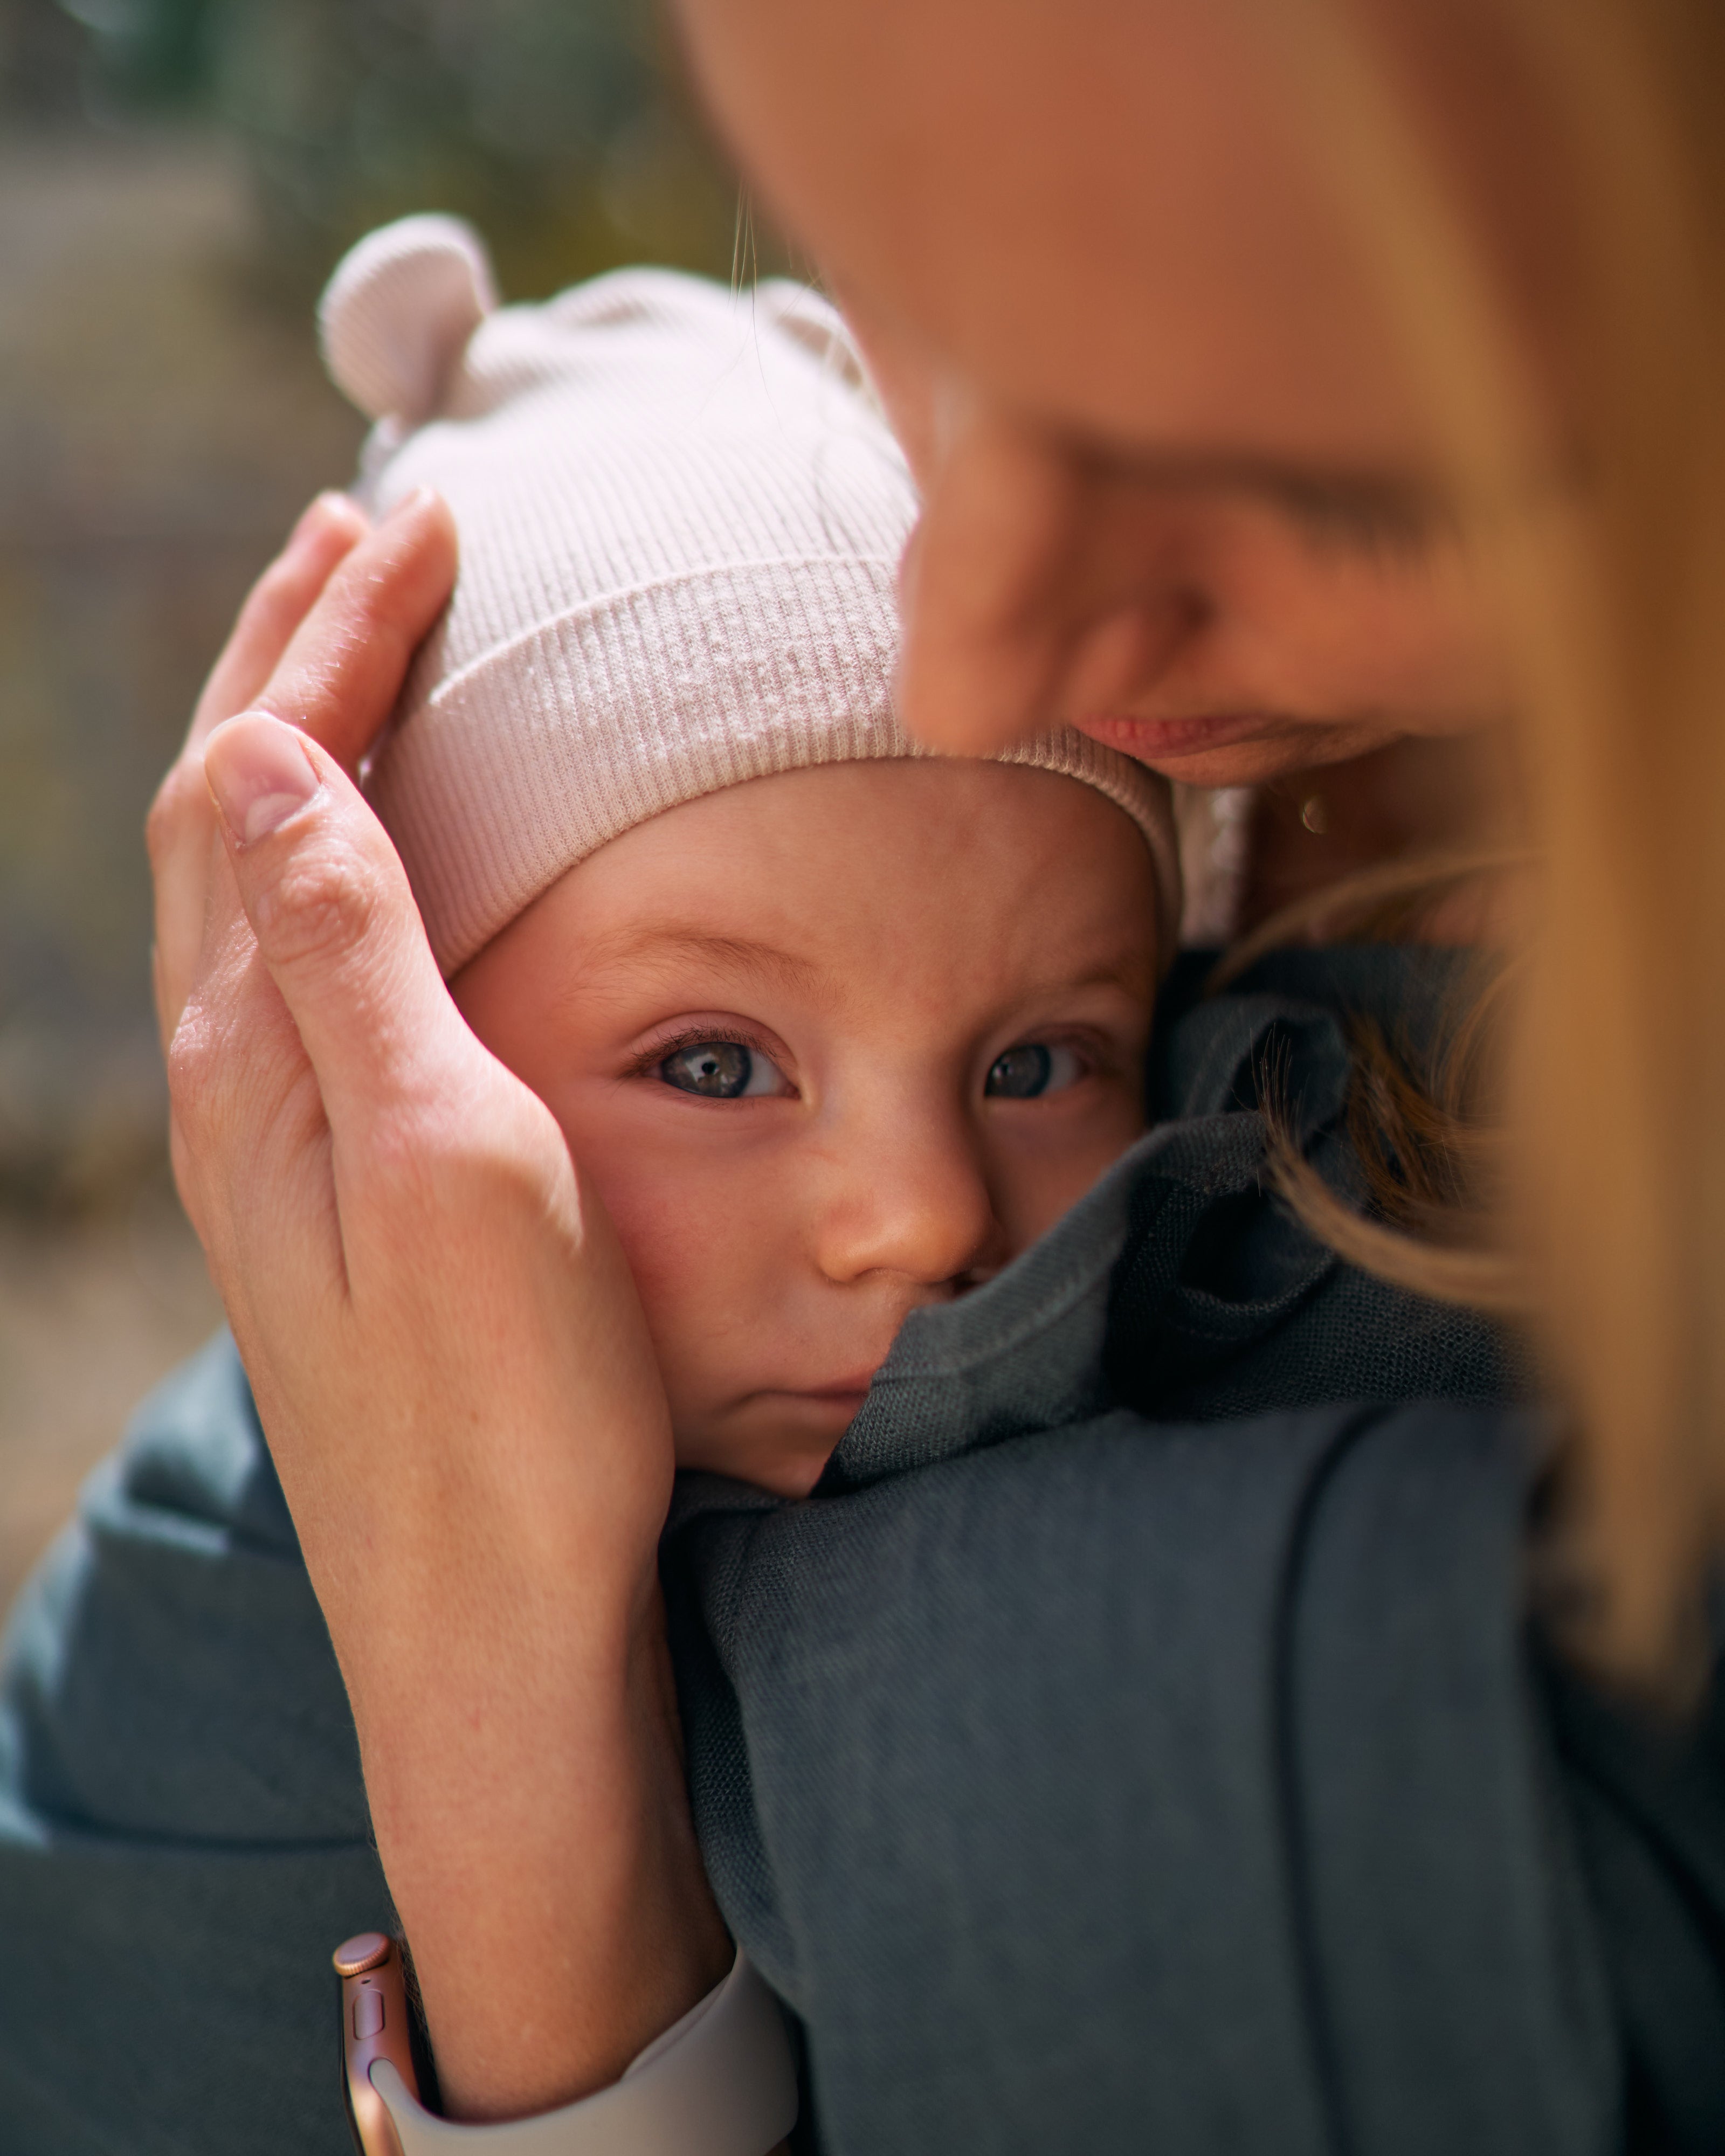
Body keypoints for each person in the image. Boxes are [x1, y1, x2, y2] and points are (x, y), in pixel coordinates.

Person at [9, 0, 1725, 2149]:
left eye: (1305, 471)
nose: (973, 651)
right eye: (903, 305)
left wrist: (518, 1813)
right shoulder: (203, 1607)